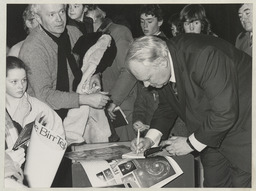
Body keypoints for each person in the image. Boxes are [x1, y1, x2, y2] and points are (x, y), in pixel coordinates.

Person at [127, 35, 251, 187]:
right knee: (213, 184)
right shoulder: (164, 67)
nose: (146, 85)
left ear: (162, 62)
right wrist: (149, 139)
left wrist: (190, 144)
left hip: (244, 129)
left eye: (147, 78)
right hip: (210, 134)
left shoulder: (204, 56)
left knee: (241, 184)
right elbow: (167, 106)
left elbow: (224, 112)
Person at [19, 4, 110, 120]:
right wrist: (84, 99)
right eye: (51, 14)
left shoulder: (73, 32)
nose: (59, 19)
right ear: (38, 18)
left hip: (75, 115)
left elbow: (90, 58)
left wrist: (96, 74)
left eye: (61, 12)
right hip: (46, 119)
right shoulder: (32, 48)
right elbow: (44, 95)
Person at [5, 56, 65, 187]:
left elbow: (58, 136)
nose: (21, 86)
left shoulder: (40, 108)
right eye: (14, 82)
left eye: (24, 80)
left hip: (34, 174)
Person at [85, 5, 137, 141]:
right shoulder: (92, 37)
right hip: (101, 106)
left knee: (125, 153)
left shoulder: (119, 32)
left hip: (118, 107)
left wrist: (112, 101)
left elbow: (129, 70)